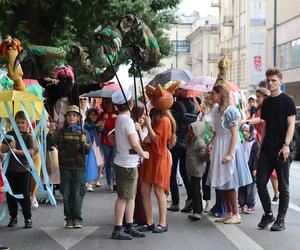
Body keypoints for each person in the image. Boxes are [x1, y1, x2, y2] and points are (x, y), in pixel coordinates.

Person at [256, 67, 296, 231]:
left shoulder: (287, 101)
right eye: (269, 80)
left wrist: (286, 145)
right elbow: (265, 126)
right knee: (260, 183)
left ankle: (280, 220)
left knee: (283, 187)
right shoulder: (267, 102)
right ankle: (268, 214)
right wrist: (261, 146)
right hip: (266, 149)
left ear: (280, 81)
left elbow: (291, 124)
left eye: (274, 80)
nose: (271, 83)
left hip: (282, 150)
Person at [208, 84, 252, 224]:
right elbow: (216, 132)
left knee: (230, 182)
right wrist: (211, 143)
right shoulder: (215, 110)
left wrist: (230, 154)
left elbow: (234, 134)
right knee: (222, 183)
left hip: (229, 146)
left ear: (220, 94)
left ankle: (236, 214)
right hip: (220, 145)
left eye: (213, 93)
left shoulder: (230, 110)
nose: (210, 96)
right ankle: (229, 212)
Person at [139, 83, 178, 233]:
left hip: (160, 158)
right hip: (151, 157)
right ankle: (149, 221)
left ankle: (163, 222)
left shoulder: (165, 121)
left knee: (159, 191)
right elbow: (150, 139)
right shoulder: (156, 117)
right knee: (144, 189)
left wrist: (148, 126)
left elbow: (158, 141)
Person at [110, 90, 149, 240]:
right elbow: (134, 143)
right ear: (131, 103)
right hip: (127, 164)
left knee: (130, 197)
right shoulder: (126, 120)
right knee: (123, 197)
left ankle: (129, 225)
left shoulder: (122, 119)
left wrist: (138, 128)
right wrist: (143, 153)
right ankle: (118, 228)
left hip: (127, 163)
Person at [47, 105, 90, 229]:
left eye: (75, 115)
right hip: (65, 168)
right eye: (69, 115)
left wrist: (84, 142)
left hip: (79, 168)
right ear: (66, 118)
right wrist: (50, 131)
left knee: (77, 194)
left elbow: (87, 151)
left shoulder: (84, 132)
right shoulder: (60, 132)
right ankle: (68, 218)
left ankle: (77, 218)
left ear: (78, 118)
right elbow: (50, 143)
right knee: (66, 194)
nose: (72, 117)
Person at [241, 88, 280, 205]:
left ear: (265, 97)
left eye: (258, 96)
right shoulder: (258, 108)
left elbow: (261, 119)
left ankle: (277, 194)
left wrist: (246, 121)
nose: (256, 99)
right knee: (258, 171)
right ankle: (252, 199)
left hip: (267, 141)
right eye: (256, 96)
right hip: (258, 141)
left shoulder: (268, 108)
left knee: (272, 173)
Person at [1, 111, 35, 228]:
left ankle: (28, 218)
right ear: (13, 122)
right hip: (10, 170)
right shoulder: (10, 134)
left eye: (22, 123)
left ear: (26, 124)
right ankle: (13, 217)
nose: (20, 125)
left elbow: (30, 152)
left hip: (24, 170)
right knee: (11, 195)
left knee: (24, 195)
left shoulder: (28, 136)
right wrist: (9, 146)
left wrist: (16, 151)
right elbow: (3, 149)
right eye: (17, 122)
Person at [168, 90, 197, 212]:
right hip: (188, 142)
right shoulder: (193, 105)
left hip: (176, 142)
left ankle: (175, 202)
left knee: (172, 172)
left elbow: (172, 123)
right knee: (185, 173)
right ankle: (190, 199)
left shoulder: (175, 106)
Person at [186, 121, 210, 221]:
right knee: (194, 189)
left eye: (192, 130)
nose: (190, 132)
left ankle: (197, 210)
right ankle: (196, 209)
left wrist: (205, 154)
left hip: (197, 169)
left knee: (196, 190)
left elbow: (203, 156)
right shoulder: (194, 140)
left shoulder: (199, 142)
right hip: (194, 168)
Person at [238, 123, 259, 214]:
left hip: (251, 168)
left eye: (247, 131)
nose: (244, 133)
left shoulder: (255, 144)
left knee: (251, 187)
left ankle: (250, 205)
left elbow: (256, 157)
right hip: (243, 167)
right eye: (243, 131)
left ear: (251, 132)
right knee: (242, 186)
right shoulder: (242, 142)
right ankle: (241, 204)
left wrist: (255, 168)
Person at [98, 98, 118, 190]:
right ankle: (109, 182)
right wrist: (104, 120)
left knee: (114, 161)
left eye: (109, 103)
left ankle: (114, 181)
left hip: (115, 141)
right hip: (105, 140)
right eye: (105, 103)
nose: (107, 105)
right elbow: (100, 129)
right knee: (108, 162)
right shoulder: (102, 114)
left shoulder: (117, 113)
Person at [84, 108, 104, 191]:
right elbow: (89, 127)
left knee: (100, 163)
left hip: (97, 145)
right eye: (92, 114)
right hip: (90, 146)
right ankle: (89, 183)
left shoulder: (95, 123)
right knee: (90, 164)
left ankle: (97, 180)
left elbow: (102, 129)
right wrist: (97, 124)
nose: (94, 116)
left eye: (95, 114)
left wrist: (104, 121)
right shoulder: (86, 124)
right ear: (88, 115)